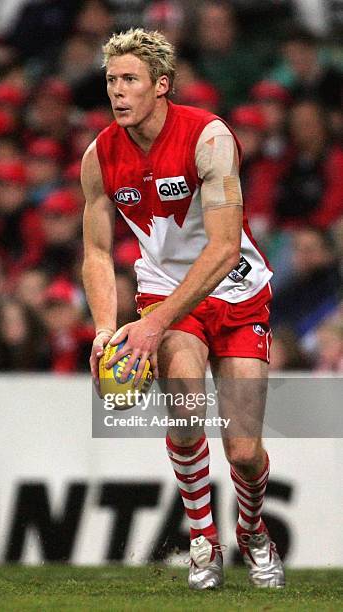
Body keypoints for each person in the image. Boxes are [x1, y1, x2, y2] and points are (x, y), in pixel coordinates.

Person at [82, 29, 284, 590]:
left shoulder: (209, 137)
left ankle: (252, 530)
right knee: (188, 413)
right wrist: (105, 329)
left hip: (237, 293)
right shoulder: (99, 156)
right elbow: (97, 252)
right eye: (110, 81)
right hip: (166, 300)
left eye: (129, 80)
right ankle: (202, 540)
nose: (117, 92)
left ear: (161, 85)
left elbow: (222, 249)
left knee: (243, 451)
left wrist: (151, 324)